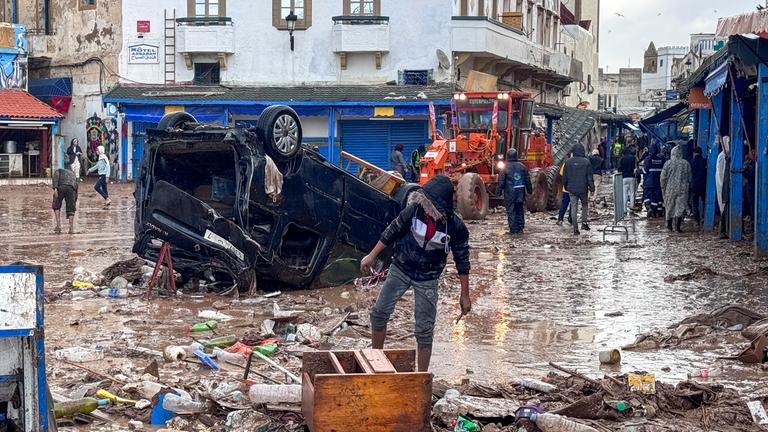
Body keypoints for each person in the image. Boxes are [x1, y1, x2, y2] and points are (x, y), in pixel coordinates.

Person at [360, 175, 471, 372]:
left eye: (429, 204)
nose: (425, 207)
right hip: (401, 268)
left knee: (424, 330)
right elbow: (392, 231)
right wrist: (371, 255)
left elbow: (462, 262)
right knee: (379, 314)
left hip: (428, 278)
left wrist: (464, 294)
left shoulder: (456, 228)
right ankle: (376, 360)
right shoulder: (414, 211)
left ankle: (421, 375)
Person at [497, 148, 533, 234]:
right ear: (516, 155)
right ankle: (520, 228)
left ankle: (513, 230)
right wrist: (529, 190)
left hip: (509, 194)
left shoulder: (504, 168)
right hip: (520, 193)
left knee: (511, 211)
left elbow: (501, 182)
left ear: (507, 156)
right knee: (520, 210)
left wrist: (498, 192)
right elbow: (527, 180)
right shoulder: (523, 167)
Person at [562, 144, 594, 235]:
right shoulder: (586, 162)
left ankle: (575, 228)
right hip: (583, 189)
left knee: (574, 207)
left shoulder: (568, 162)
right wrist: (592, 187)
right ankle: (584, 223)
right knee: (584, 205)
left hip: (571, 189)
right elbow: (589, 177)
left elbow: (565, 177)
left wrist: (566, 186)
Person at [660, 145, 692, 233]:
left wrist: (663, 187)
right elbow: (690, 177)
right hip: (682, 189)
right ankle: (677, 227)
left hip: (670, 189)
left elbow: (663, 177)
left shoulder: (668, 163)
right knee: (680, 207)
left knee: (669, 206)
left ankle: (669, 225)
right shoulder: (686, 163)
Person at [52, 164, 78, 234]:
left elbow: (56, 177)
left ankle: (58, 226)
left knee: (56, 205)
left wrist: (55, 188)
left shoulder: (58, 170)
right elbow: (76, 187)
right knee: (71, 209)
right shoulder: (73, 174)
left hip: (61, 187)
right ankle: (71, 228)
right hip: (71, 188)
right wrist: (74, 201)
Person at [642, 144, 665, 218]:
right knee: (655, 197)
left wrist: (638, 171)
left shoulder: (648, 159)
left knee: (646, 196)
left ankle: (648, 208)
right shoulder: (661, 159)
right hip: (658, 183)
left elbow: (645, 171)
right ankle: (654, 212)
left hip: (648, 183)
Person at [716, 137, 730, 239]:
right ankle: (722, 230)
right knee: (723, 207)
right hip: (722, 185)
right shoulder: (722, 157)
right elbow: (720, 174)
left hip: (726, 185)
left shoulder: (727, 156)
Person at [690, 146, 707, 225]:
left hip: (694, 186)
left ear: (694, 153)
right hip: (703, 185)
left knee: (695, 203)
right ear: (701, 153)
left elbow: (690, 175)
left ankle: (697, 220)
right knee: (704, 202)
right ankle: (704, 217)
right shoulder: (705, 161)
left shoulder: (692, 162)